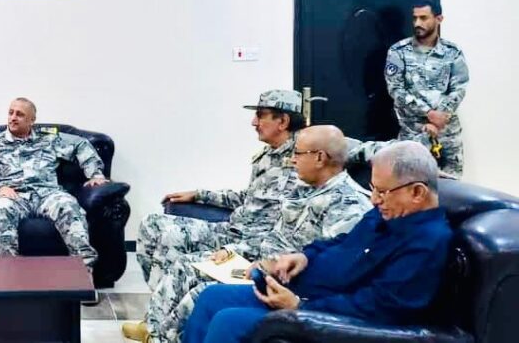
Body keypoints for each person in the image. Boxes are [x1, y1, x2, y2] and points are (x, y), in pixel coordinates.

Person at [182, 140, 452, 343]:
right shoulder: (388, 212)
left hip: (324, 313)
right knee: (211, 297)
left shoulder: (427, 242)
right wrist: (305, 256)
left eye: (382, 192)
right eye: (373, 189)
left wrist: (299, 306)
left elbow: (379, 306)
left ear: (417, 192)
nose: (374, 200)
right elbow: (342, 242)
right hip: (305, 291)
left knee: (227, 321)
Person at [127, 125, 371, 343]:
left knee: (201, 293)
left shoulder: (346, 205)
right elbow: (271, 234)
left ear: (319, 157)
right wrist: (234, 251)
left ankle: (160, 336)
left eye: (297, 153)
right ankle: (155, 331)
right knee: (186, 267)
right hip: (257, 261)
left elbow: (329, 267)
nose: (292, 159)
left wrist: (267, 269)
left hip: (282, 282)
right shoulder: (304, 188)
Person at [136, 90, 306, 292]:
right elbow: (248, 197)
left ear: (283, 121)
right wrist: (200, 194)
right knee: (151, 224)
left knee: (171, 236)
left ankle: (160, 306)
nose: (254, 122)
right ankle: (160, 299)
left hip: (251, 242)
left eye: (261, 115)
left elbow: (286, 229)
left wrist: (235, 249)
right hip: (232, 229)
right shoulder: (269, 155)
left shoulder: (303, 160)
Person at [0, 97, 108, 271]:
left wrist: (95, 174)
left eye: (19, 114)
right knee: (1, 209)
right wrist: (0, 187)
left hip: (48, 193)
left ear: (32, 120)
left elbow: (81, 144)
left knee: (69, 205)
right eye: (11, 113)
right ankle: (8, 270)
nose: (13, 118)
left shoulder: (49, 139)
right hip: (15, 195)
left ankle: (83, 272)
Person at [385, 0, 468, 177]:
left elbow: (459, 88)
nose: (417, 23)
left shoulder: (453, 52)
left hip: (447, 134)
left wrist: (440, 116)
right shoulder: (398, 52)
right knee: (410, 183)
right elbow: (396, 89)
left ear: (439, 19)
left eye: (423, 18)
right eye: (415, 18)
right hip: (413, 134)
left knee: (452, 186)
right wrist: (429, 113)